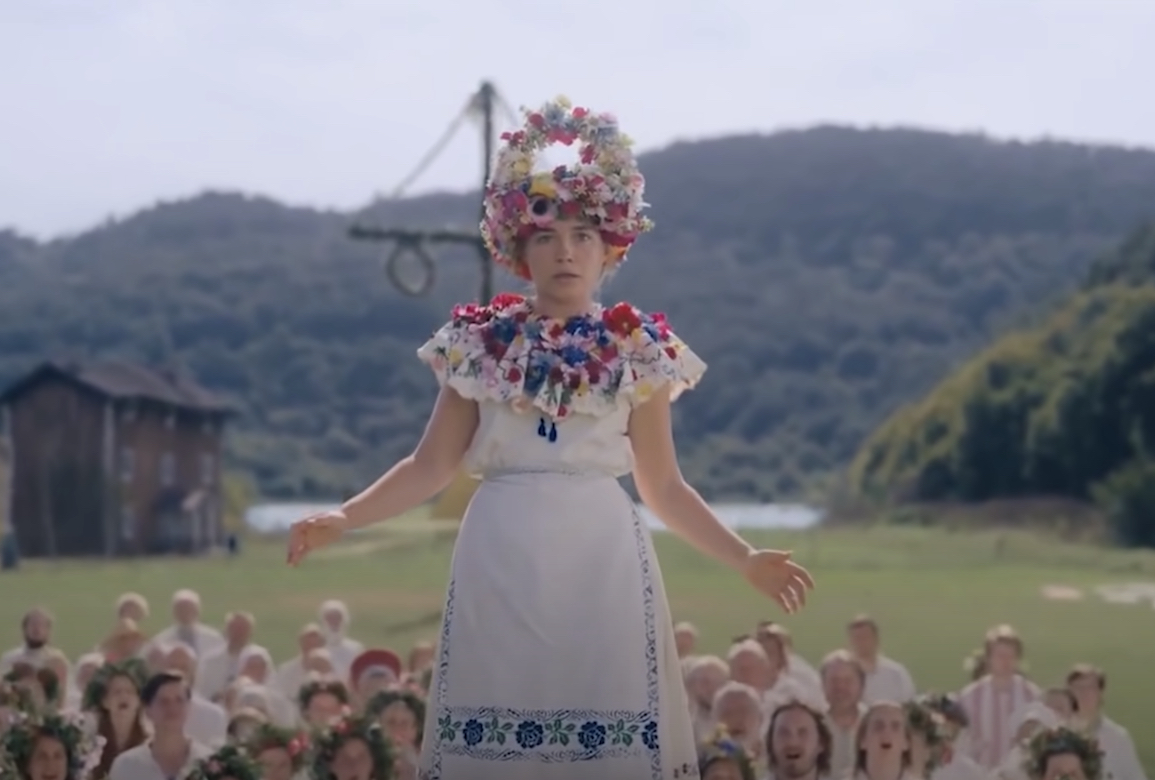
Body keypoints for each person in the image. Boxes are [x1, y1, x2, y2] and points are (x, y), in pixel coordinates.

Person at [287, 95, 815, 780]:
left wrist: (744, 559)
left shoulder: (638, 348)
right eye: (546, 235)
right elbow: (429, 466)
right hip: (500, 554)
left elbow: (664, 487)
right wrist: (344, 516)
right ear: (518, 249)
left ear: (608, 249)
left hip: (601, 558)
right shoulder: (478, 344)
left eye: (582, 236)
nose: (565, 250)